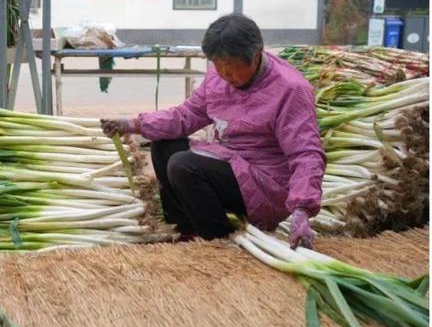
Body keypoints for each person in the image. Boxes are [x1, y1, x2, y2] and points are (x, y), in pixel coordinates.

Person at [100, 14, 325, 249]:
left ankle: (218, 238)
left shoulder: (290, 89)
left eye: (233, 67)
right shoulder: (217, 79)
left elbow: (306, 153)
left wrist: (301, 209)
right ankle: (187, 228)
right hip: (229, 164)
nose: (226, 75)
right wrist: (133, 124)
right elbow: (185, 115)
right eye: (219, 67)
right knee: (164, 144)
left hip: (265, 184)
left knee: (183, 165)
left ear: (256, 55)